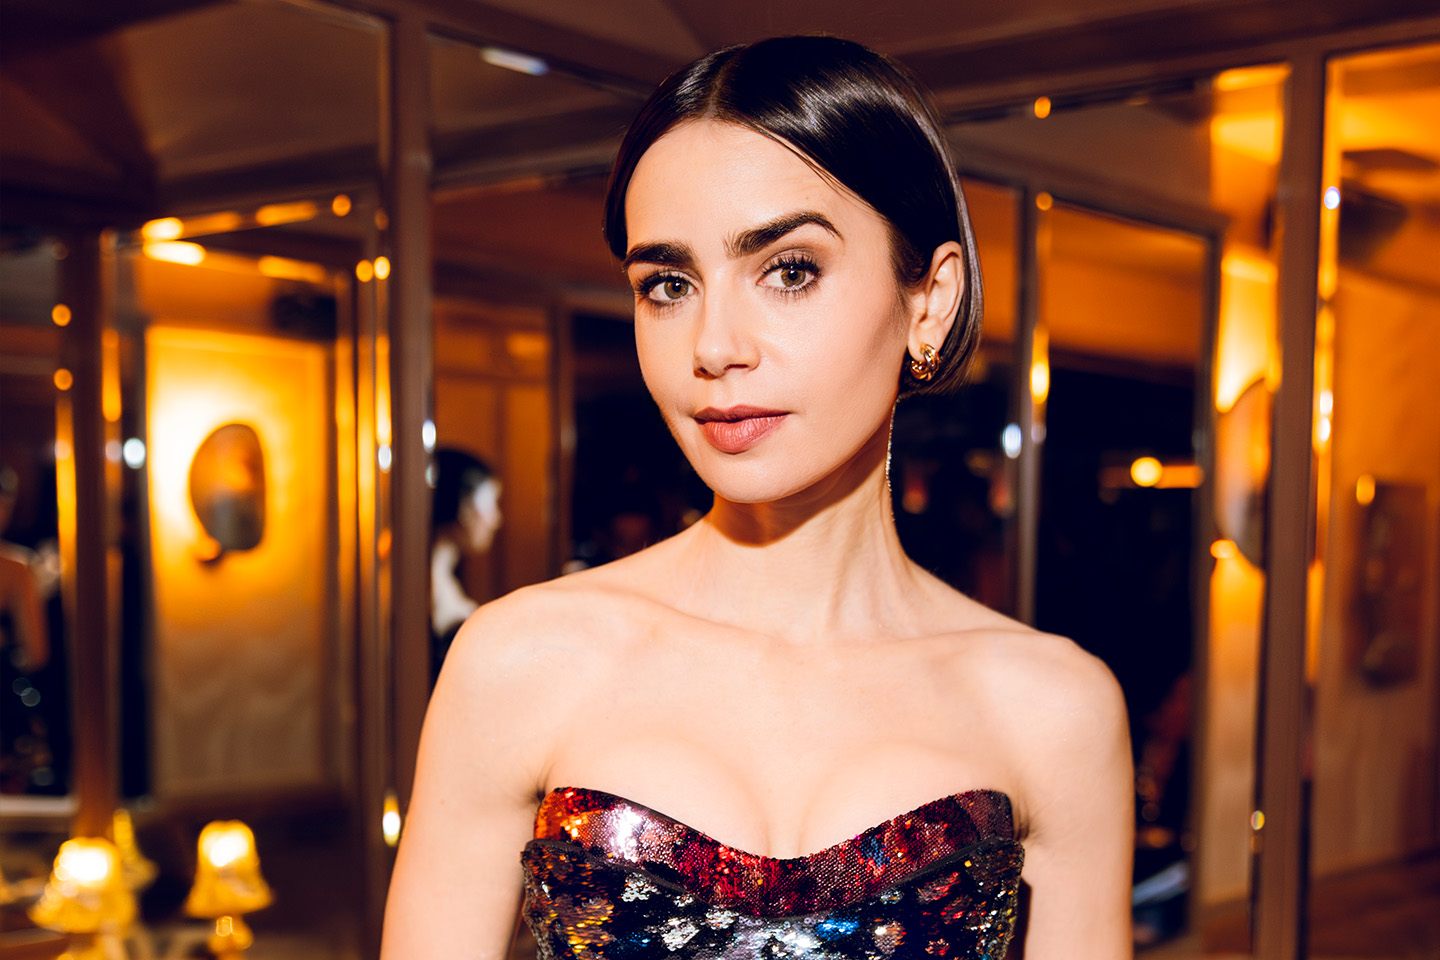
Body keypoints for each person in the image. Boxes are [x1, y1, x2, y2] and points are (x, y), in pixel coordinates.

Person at [384, 36, 1132, 959]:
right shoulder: (520, 662)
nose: (714, 344)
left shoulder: (1052, 708)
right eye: (668, 284)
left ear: (930, 301)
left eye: (789, 270)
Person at [428, 448, 502, 680]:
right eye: (492, 503)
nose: (496, 520)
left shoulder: (444, 578)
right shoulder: (433, 587)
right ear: (463, 506)